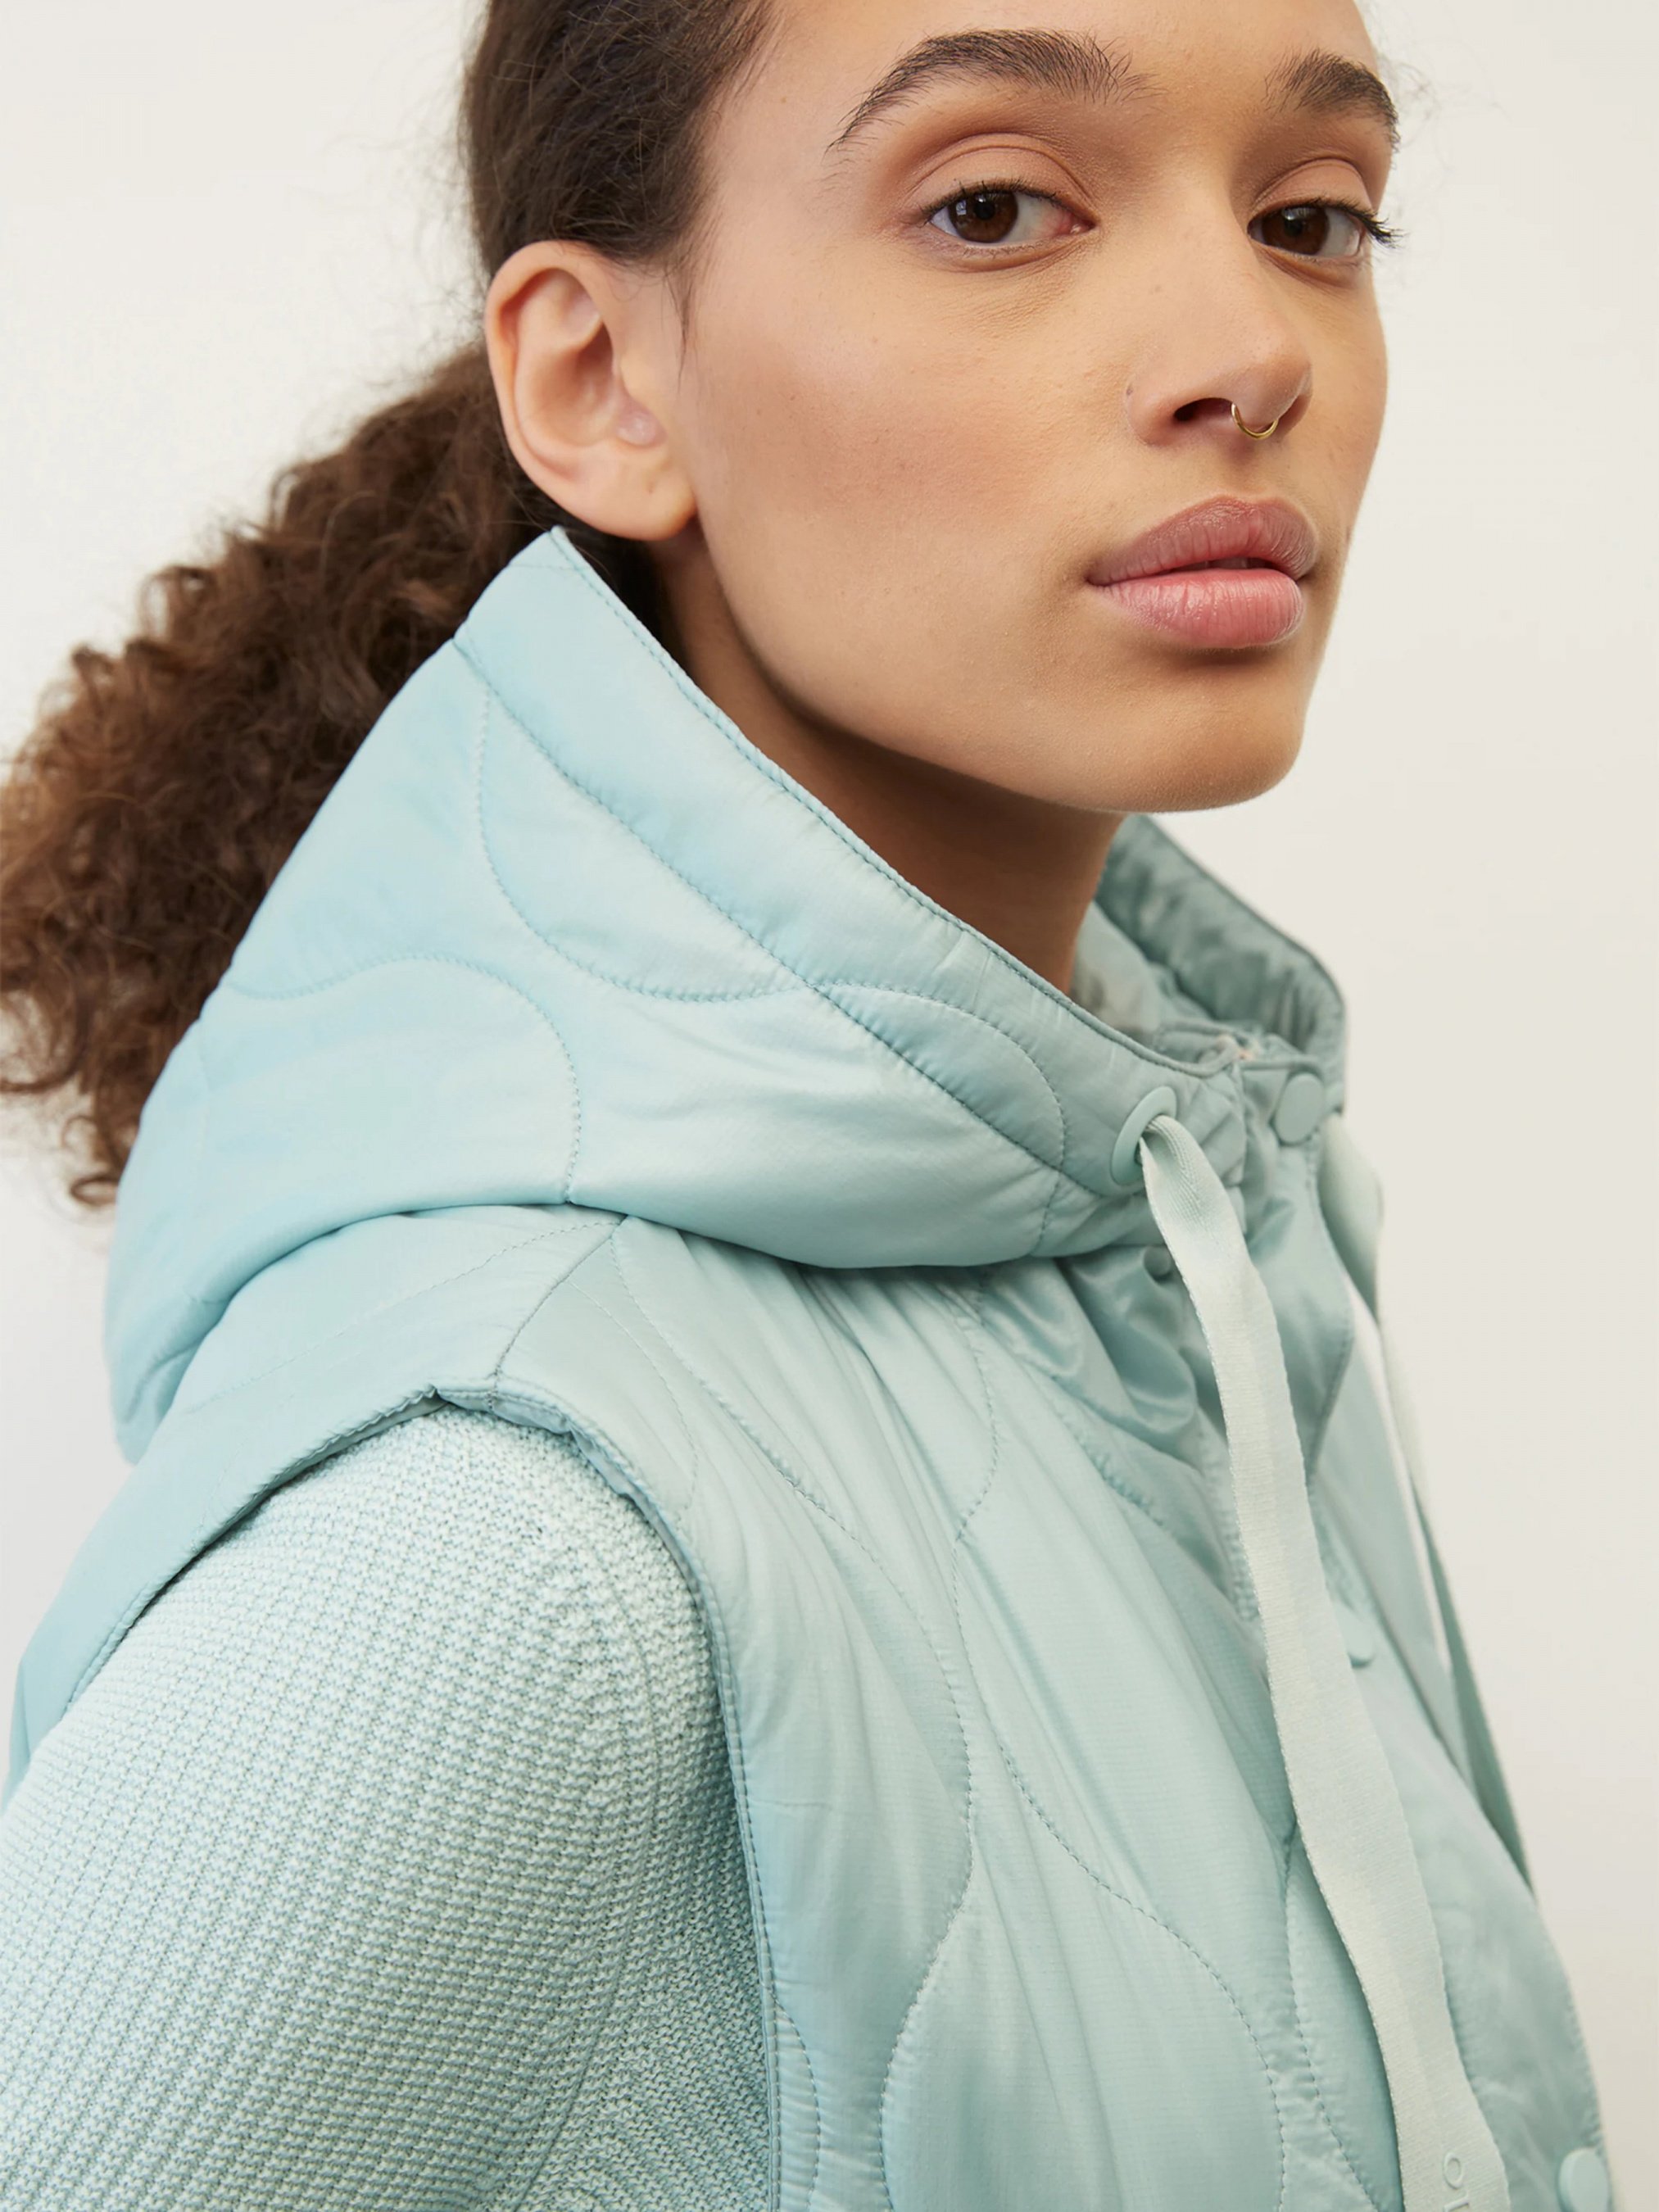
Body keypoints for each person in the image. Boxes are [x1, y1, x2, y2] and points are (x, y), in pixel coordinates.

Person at [0, 0, 1620, 2206]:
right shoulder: (514, 1541)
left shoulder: (1220, 1230)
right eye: (995, 207)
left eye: (1313, 219)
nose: (1252, 349)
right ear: (602, 379)